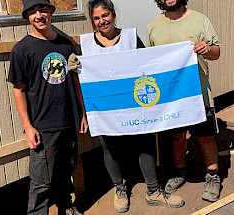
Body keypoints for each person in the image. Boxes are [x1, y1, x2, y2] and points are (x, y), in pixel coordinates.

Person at [75, 0, 184, 212]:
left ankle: (153, 191)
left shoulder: (131, 38)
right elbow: (83, 79)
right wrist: (76, 67)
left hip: (134, 104)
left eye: (105, 15)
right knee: (110, 148)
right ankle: (119, 188)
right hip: (104, 108)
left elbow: (148, 65)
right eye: (96, 18)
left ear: (113, 14)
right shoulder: (86, 44)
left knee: (144, 143)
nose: (101, 21)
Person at [7, 0, 88, 214]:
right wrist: (28, 127)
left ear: (51, 12)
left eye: (42, 10)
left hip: (68, 120)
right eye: (33, 13)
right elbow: (19, 89)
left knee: (64, 171)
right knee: (41, 181)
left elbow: (75, 80)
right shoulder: (22, 50)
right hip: (43, 125)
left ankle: (66, 206)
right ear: (27, 17)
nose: (39, 16)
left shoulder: (65, 43)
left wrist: (81, 113)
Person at [147, 0, 221, 202]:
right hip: (171, 96)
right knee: (176, 136)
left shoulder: (199, 20)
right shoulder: (153, 26)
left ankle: (213, 176)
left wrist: (207, 49)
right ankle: (180, 172)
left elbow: (216, 52)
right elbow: (151, 61)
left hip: (198, 94)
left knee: (204, 136)